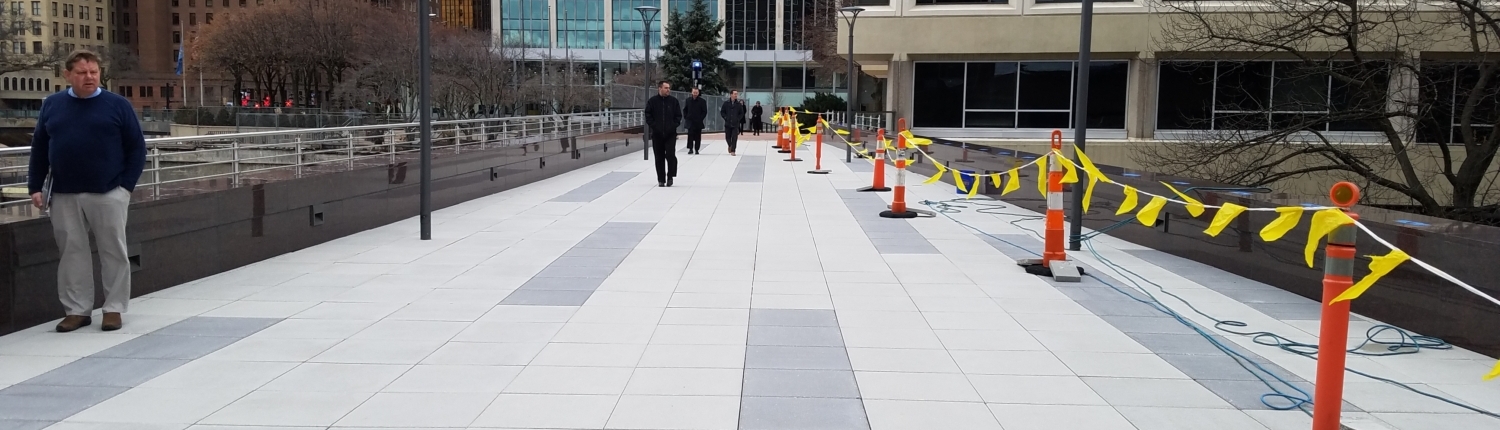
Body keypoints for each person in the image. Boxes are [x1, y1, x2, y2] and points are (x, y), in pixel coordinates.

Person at [28, 50, 146, 333]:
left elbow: (137, 148)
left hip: (108, 192)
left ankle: (114, 308)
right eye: (82, 72)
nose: (89, 77)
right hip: (64, 193)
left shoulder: (117, 105)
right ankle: (77, 310)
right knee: (71, 252)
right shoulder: (52, 105)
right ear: (67, 75)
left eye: (93, 72)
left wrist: (125, 187)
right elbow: (40, 148)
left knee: (113, 251)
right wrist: (35, 186)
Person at [643, 81, 681, 187]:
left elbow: (678, 116)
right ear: (660, 88)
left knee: (670, 155)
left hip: (670, 134)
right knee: (659, 157)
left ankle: (670, 176)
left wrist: (673, 126)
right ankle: (661, 179)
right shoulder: (652, 101)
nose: (668, 90)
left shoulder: (674, 101)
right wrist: (654, 126)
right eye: (666, 88)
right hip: (657, 134)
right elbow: (648, 115)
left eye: (669, 88)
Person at [719, 90, 747, 156]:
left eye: (736, 94)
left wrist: (738, 119)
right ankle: (730, 145)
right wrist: (725, 118)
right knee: (727, 137)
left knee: (734, 137)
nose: (736, 95)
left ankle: (733, 150)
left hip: (735, 124)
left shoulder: (738, 104)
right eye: (734, 94)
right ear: (731, 95)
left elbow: (741, 113)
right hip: (728, 123)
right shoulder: (726, 103)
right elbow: (722, 112)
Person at [683, 88, 708, 154]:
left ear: (698, 93)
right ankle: (690, 148)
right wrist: (686, 117)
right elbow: (685, 109)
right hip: (690, 121)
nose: (695, 94)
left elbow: (704, 111)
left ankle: (697, 149)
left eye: (696, 93)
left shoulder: (702, 101)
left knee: (697, 136)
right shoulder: (688, 100)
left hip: (698, 121)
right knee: (690, 135)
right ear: (692, 92)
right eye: (694, 92)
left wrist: (700, 118)